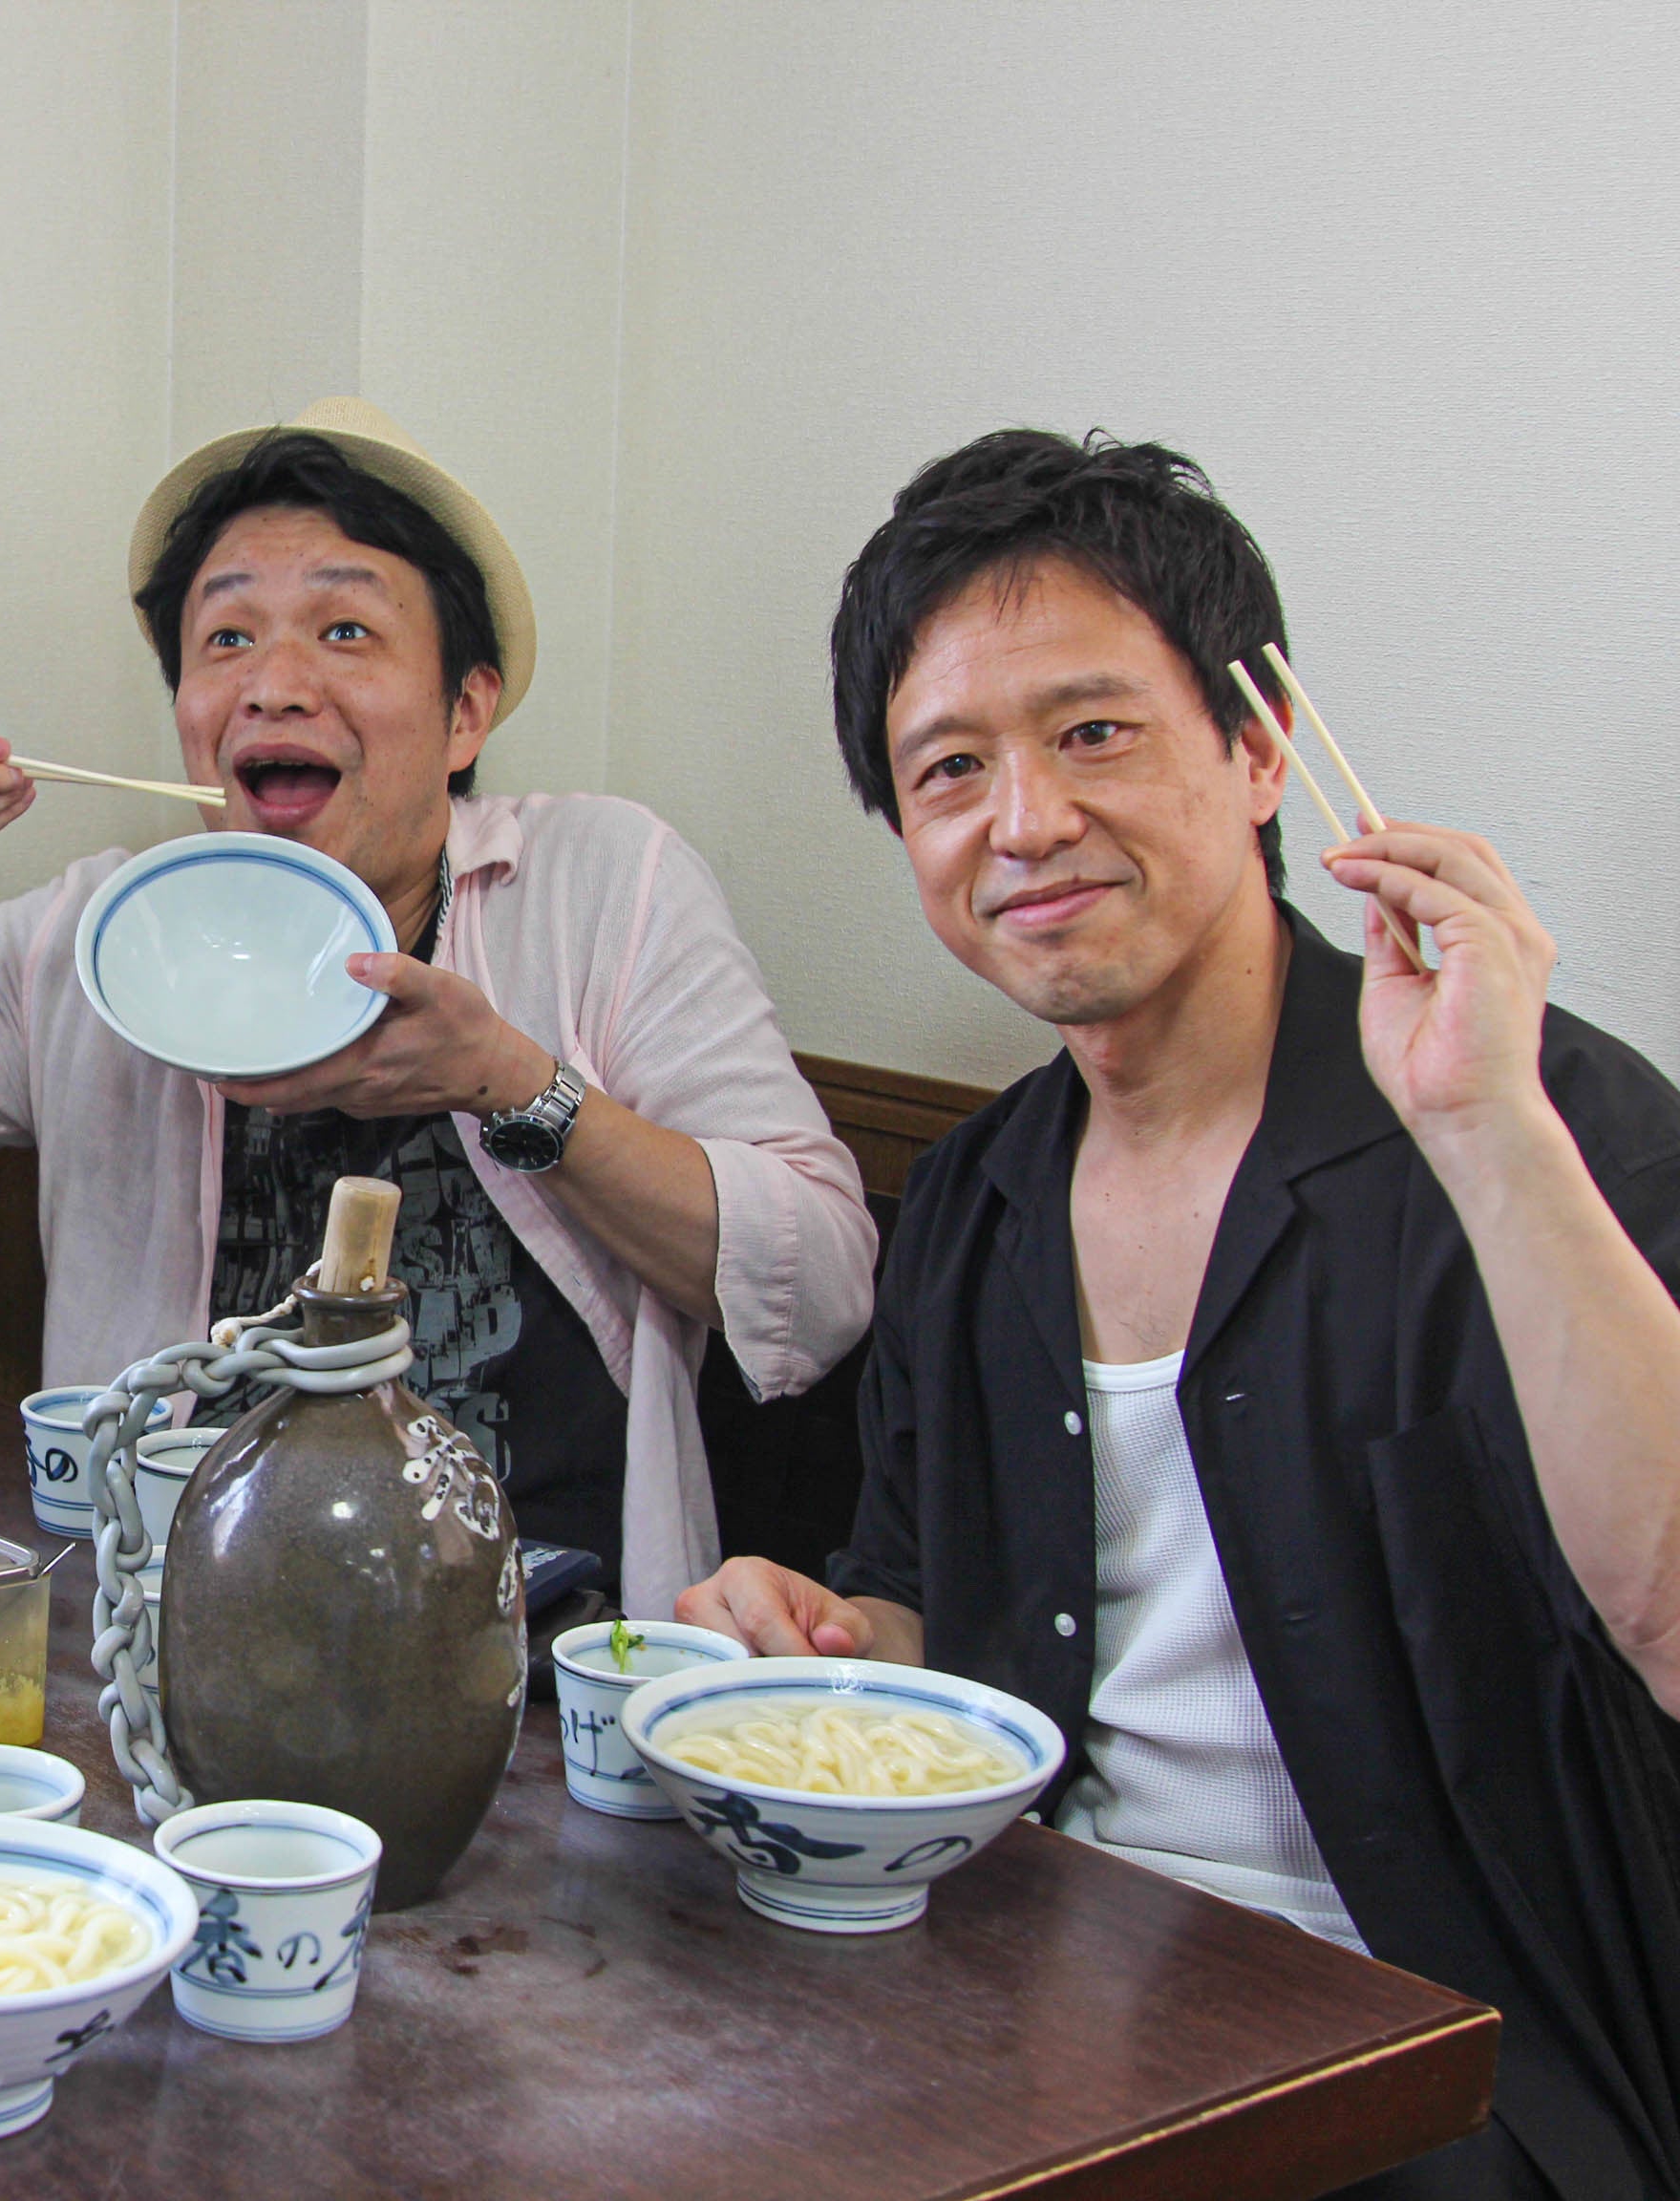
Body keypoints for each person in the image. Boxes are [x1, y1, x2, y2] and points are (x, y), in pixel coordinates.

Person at [676, 430, 1680, 2199]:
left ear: (1261, 743)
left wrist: (1490, 1134)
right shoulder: (974, 1199)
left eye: (1094, 732)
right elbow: (923, 1612)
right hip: (1029, 1974)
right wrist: (819, 1636)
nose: (1025, 821)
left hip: (1456, 2064)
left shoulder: (1546, 1121)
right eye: (949, 769)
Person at [0, 397, 874, 1615]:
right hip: (169, 1643)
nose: (275, 685)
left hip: (543, 1652)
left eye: (345, 630)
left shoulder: (606, 882)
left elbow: (820, 1289)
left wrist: (513, 1085)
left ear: (465, 712)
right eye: (227, 638)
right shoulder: (98, 938)